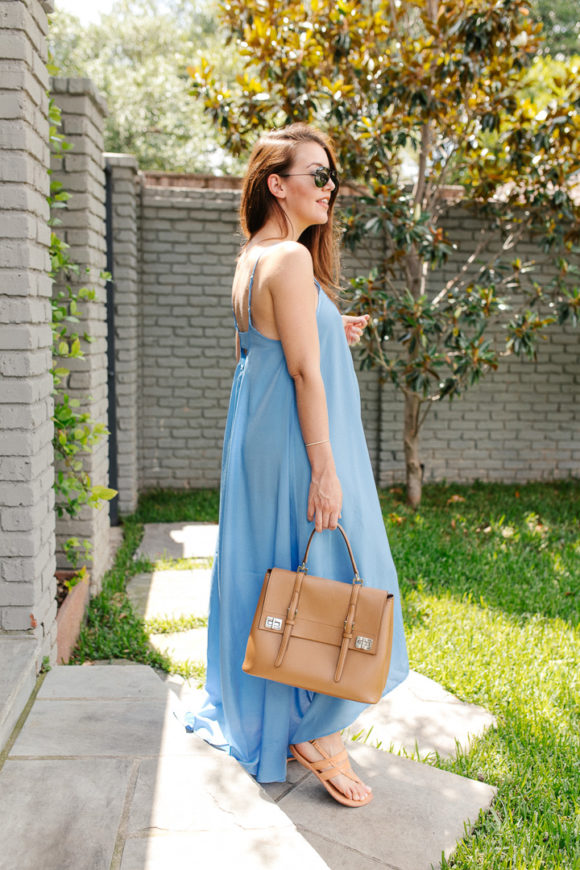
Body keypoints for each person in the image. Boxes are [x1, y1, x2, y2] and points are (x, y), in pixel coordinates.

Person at [185, 123, 409, 807]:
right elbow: (304, 374)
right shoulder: (287, 258)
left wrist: (327, 328)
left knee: (278, 569)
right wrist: (324, 468)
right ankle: (317, 732)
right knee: (330, 565)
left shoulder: (254, 256)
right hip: (296, 440)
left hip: (258, 434)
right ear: (277, 184)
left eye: (331, 176)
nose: (328, 187)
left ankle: (286, 718)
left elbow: (258, 347)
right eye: (316, 175)